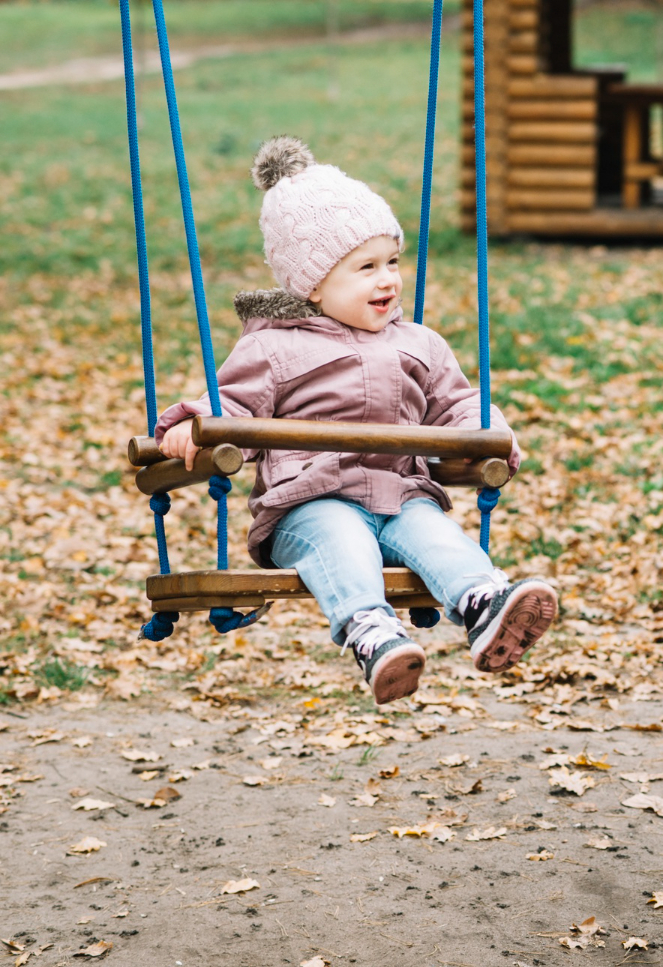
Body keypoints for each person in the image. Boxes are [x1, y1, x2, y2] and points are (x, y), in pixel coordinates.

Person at [156, 137, 556, 705]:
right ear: (313, 285)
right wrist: (195, 424)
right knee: (341, 538)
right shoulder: (273, 348)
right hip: (308, 504)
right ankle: (372, 634)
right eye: (366, 268)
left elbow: (457, 405)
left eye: (392, 261)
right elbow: (232, 406)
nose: (387, 279)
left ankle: (484, 604)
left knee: (438, 535)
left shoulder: (420, 344)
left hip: (400, 495)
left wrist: (489, 433)